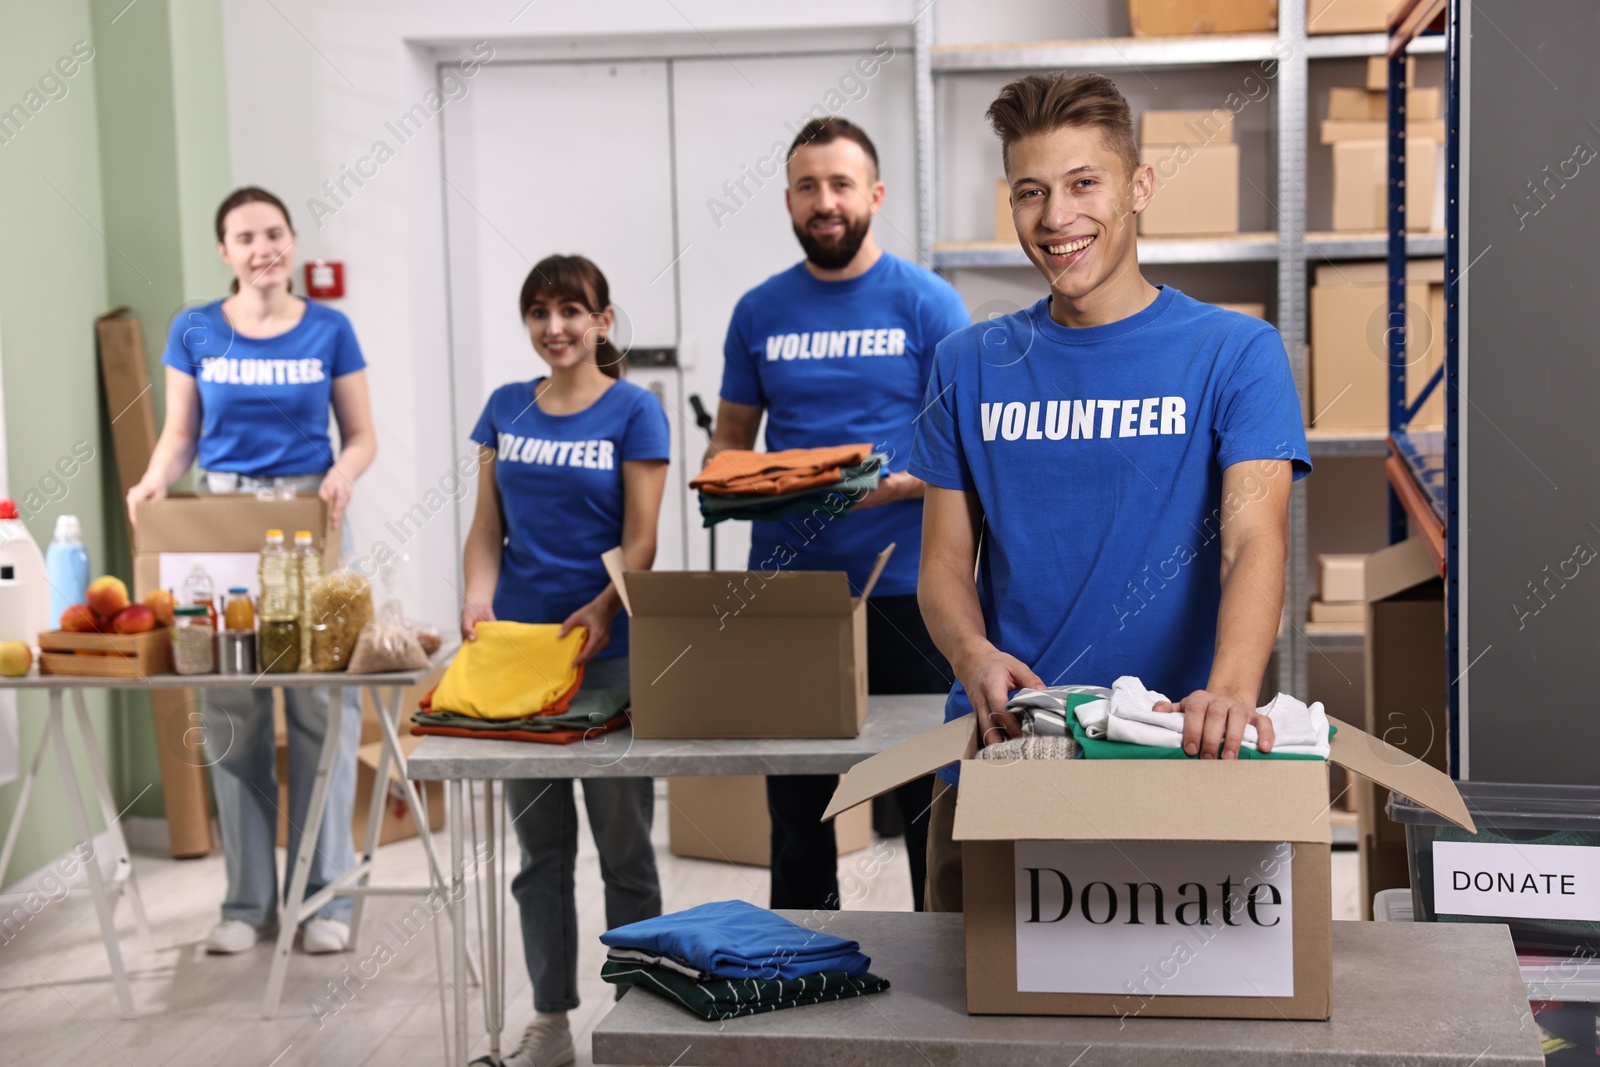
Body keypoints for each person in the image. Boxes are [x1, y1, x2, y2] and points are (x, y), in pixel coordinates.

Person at [910, 72, 1313, 911]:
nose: (1056, 218)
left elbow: (1254, 539)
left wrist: (1232, 690)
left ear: (1138, 186)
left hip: (1176, 750)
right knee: (974, 1028)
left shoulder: (1237, 353)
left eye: (1083, 183)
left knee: (1168, 1029)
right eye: (1031, 192)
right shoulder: (967, 365)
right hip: (1006, 754)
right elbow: (945, 563)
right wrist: (972, 655)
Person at [707, 117, 971, 913]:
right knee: (796, 807)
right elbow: (728, 445)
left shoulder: (929, 304)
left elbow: (967, 451)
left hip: (909, 593)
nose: (825, 201)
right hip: (789, 594)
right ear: (789, 200)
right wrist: (752, 481)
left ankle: (941, 964)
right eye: (808, 186)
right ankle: (798, 965)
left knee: (929, 797)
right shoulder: (759, 311)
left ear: (875, 195)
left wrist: (892, 483)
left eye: (841, 183)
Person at [127, 186, 377, 954]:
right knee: (231, 716)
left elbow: (362, 434)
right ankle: (245, 904)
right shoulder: (195, 329)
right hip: (221, 527)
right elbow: (179, 434)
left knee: (320, 713)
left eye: (274, 232)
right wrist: (152, 479)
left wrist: (344, 473)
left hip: (307, 523)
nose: (262, 247)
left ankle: (325, 900)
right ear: (225, 251)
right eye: (245, 236)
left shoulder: (330, 328)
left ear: (293, 241)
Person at [461, 254, 669, 1067]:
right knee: (539, 852)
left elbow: (643, 539)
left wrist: (605, 605)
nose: (555, 327)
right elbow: (488, 529)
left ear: (602, 321)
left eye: (571, 312)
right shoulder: (504, 410)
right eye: (540, 312)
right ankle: (550, 1020)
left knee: (625, 847)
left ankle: (641, 1011)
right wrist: (479, 596)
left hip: (609, 654)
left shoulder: (634, 410)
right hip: (520, 659)